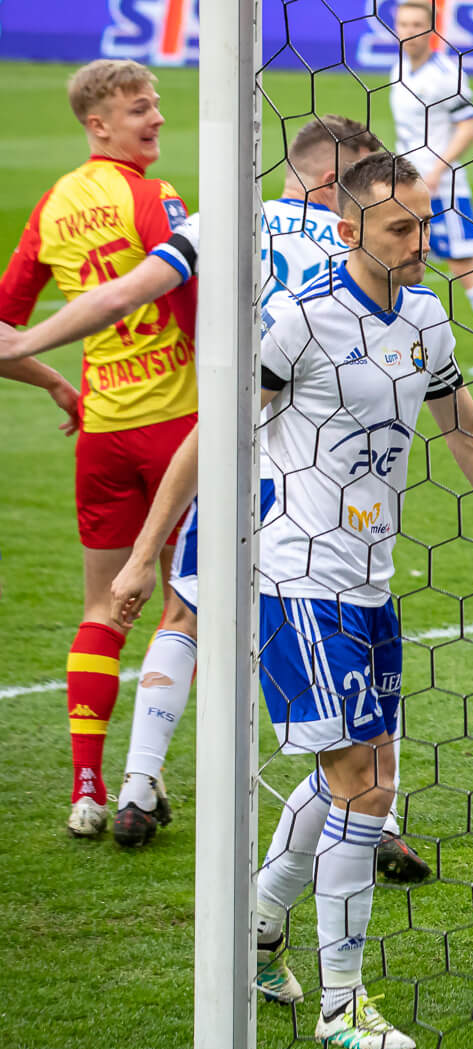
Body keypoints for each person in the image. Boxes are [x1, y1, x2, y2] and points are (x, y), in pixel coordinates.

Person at [109, 151, 473, 1049]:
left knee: (360, 776)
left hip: (370, 578)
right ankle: (341, 1003)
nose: (419, 240)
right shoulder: (300, 319)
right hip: (297, 578)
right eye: (400, 228)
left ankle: (257, 931)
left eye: (424, 224)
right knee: (362, 782)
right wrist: (140, 557)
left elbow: (468, 433)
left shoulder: (426, 318)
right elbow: (215, 432)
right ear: (350, 230)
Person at [0, 117, 432, 881]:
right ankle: (377, 816)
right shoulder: (361, 247)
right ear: (335, 186)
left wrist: (24, 342)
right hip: (325, 476)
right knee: (358, 635)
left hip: (234, 452)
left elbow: (125, 293)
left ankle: (137, 785)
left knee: (186, 611)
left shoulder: (228, 221)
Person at [0, 59, 197, 839]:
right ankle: (139, 781)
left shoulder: (53, 205)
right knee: (185, 607)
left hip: (105, 436)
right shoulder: (153, 197)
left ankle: (85, 787)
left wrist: (56, 383)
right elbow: (188, 297)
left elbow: (5, 329)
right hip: (180, 431)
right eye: (139, 108)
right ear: (98, 123)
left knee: (100, 608)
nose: (156, 118)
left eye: (156, 104)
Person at [390, 0, 473, 377]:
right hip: (405, 186)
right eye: (403, 24)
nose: (408, 32)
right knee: (396, 259)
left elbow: (469, 128)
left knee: (462, 264)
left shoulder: (447, 73)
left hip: (443, 188)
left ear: (431, 30)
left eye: (416, 24)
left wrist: (436, 172)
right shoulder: (398, 68)